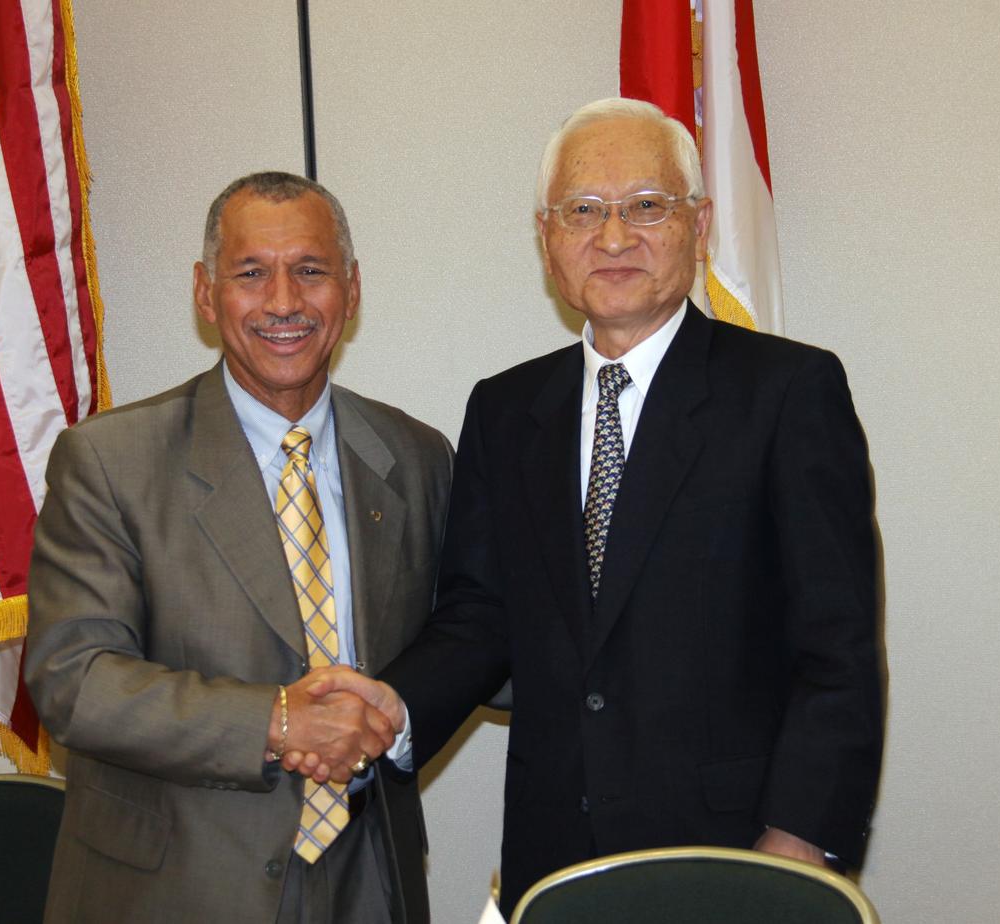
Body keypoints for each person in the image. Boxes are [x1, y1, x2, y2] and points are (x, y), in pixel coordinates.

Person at [311, 97, 884, 916]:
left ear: (700, 223)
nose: (613, 238)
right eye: (583, 211)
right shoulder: (506, 409)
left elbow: (838, 650)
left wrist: (793, 847)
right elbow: (480, 616)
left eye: (646, 206)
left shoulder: (788, 393)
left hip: (731, 857)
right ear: (546, 240)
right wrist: (394, 707)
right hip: (554, 859)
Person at [24, 171, 452, 924]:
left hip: (370, 883)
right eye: (251, 273)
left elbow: (465, 635)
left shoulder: (416, 456)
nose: (284, 302)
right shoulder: (110, 461)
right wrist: (278, 720)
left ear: (350, 291)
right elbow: (74, 679)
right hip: (178, 887)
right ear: (204, 292)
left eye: (311, 272)